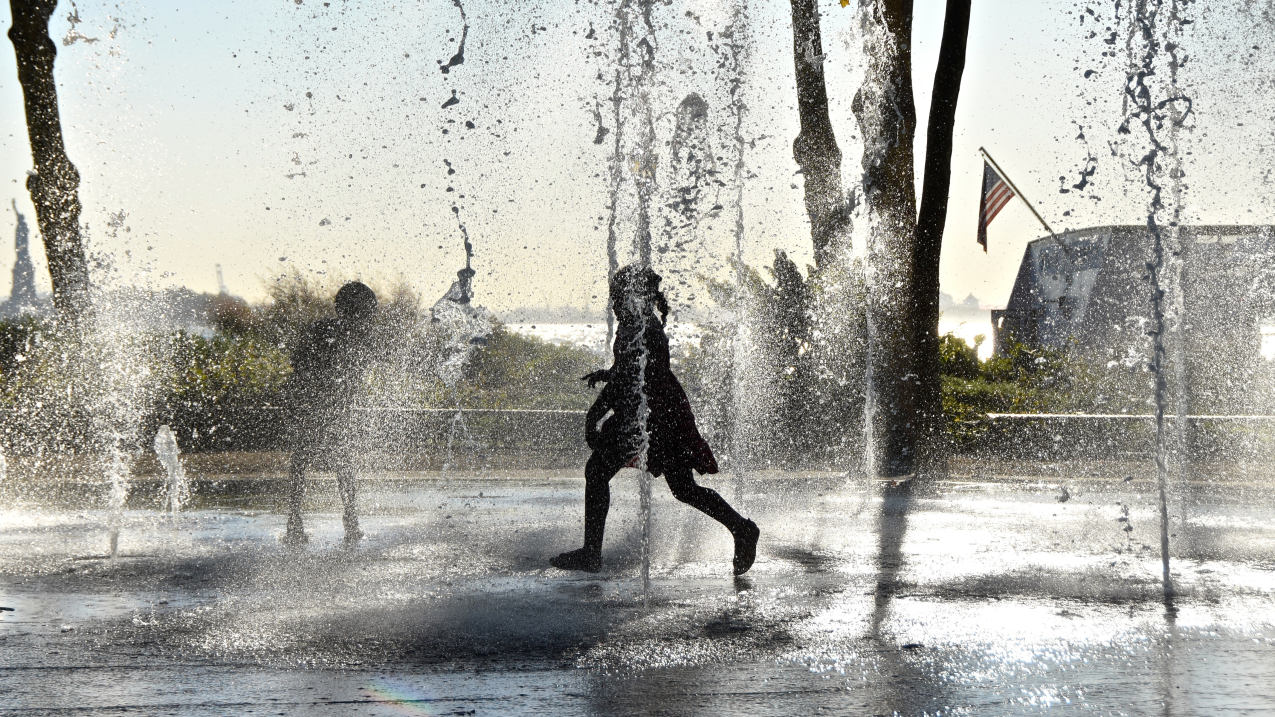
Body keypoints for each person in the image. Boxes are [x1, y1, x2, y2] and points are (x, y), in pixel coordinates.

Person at [551, 264, 760, 575]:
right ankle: (740, 528)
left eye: (617, 295)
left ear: (634, 295)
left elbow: (630, 376)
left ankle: (591, 554)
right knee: (680, 487)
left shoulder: (641, 326)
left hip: (656, 415)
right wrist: (608, 375)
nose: (613, 302)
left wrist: (594, 414)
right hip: (659, 411)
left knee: (602, 472)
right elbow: (631, 370)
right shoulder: (639, 324)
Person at [283, 281, 379, 546]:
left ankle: (295, 521)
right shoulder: (355, 336)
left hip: (312, 406)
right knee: (340, 463)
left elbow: (296, 364)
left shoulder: (321, 329)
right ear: (359, 311)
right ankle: (349, 522)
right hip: (320, 407)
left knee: (304, 461)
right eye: (370, 311)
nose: (372, 317)